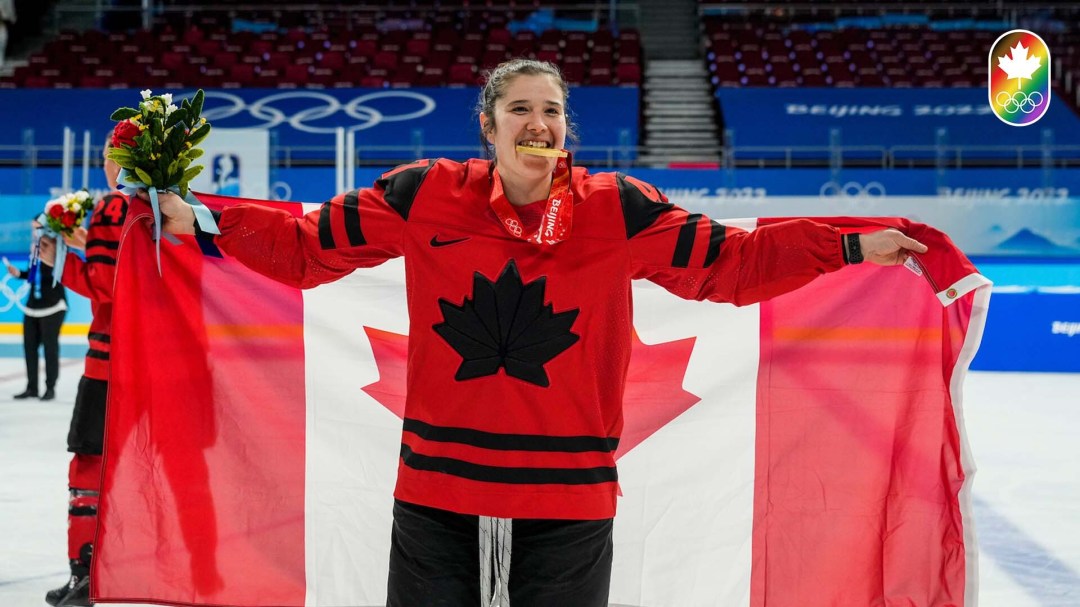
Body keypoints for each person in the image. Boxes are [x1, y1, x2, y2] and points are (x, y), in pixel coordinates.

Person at [150, 59, 928, 606]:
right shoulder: (424, 193)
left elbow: (732, 264)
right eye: (520, 107)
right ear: (488, 125)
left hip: (568, 498)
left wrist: (852, 244)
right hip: (439, 490)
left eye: (551, 109)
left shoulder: (616, 207)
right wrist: (204, 219)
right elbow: (308, 244)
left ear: (568, 129)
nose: (538, 121)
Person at [37, 132, 129, 607]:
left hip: (110, 364)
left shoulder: (116, 208)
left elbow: (107, 286)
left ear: (116, 161)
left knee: (89, 466)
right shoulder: (183, 209)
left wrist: (69, 254)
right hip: (168, 364)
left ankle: (87, 574)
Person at [8, 220, 66, 401]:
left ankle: (50, 387)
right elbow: (34, 275)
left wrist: (44, 253)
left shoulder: (58, 247)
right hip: (33, 306)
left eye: (37, 228)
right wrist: (20, 274)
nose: (34, 233)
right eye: (33, 229)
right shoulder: (35, 249)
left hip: (53, 306)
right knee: (29, 347)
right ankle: (31, 387)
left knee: (50, 348)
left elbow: (55, 274)